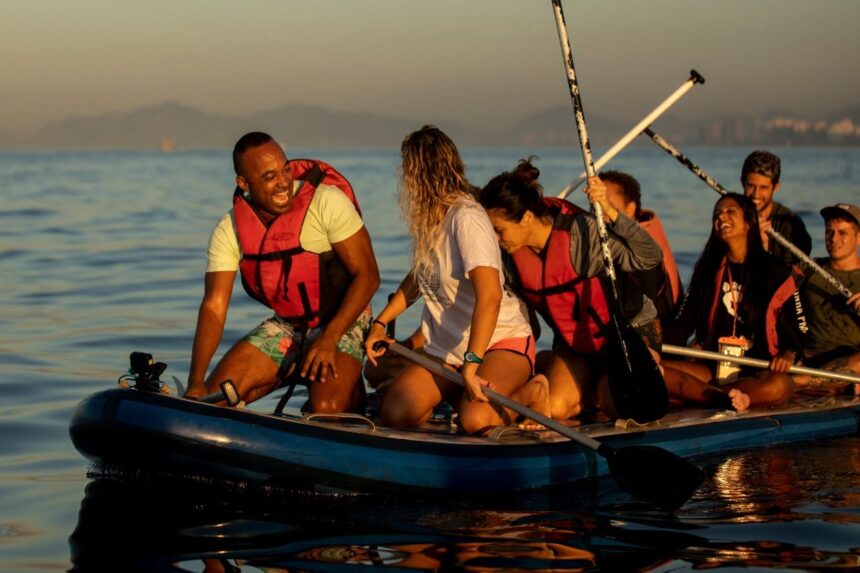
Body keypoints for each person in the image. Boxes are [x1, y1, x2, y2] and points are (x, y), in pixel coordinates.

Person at [364, 126, 546, 435]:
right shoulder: (432, 222)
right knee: (395, 412)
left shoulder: (467, 218)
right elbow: (420, 279)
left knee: (474, 421)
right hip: (448, 350)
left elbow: (490, 296)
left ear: (418, 177)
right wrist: (380, 324)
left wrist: (472, 363)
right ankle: (457, 395)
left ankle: (533, 391)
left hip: (499, 342)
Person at [184, 131, 380, 414]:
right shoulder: (230, 229)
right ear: (244, 183)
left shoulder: (326, 202)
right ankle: (294, 369)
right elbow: (214, 307)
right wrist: (195, 383)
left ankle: (351, 393)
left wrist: (329, 338)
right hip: (288, 326)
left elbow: (369, 275)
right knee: (214, 398)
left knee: (325, 408)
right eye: (269, 177)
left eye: (285, 169)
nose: (283, 182)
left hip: (343, 320)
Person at [478, 158, 664, 421]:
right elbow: (528, 325)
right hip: (573, 344)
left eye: (499, 230)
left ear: (526, 218)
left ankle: (629, 378)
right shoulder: (510, 260)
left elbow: (649, 257)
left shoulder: (581, 234)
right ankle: (581, 383)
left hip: (628, 332)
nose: (495, 240)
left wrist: (610, 212)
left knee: (619, 407)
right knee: (556, 408)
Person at [662, 193, 807, 411]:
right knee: (653, 369)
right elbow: (683, 322)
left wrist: (788, 353)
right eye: (717, 214)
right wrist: (654, 348)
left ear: (749, 222)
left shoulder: (776, 271)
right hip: (712, 368)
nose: (722, 217)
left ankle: (716, 396)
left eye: (730, 212)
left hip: (758, 369)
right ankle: (723, 398)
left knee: (780, 385)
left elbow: (799, 328)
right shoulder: (707, 269)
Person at [602, 169, 683, 323]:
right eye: (594, 206)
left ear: (631, 209)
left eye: (606, 205)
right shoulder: (603, 240)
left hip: (651, 335)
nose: (600, 213)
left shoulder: (644, 248)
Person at [796, 203, 860, 393]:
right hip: (809, 360)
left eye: (842, 233)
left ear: (858, 238)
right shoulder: (809, 267)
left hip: (851, 363)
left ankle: (797, 384)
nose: (834, 239)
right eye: (829, 232)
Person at [741, 150, 812, 266]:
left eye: (763, 187)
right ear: (742, 183)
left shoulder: (791, 225)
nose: (756, 194)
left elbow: (792, 277)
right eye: (750, 186)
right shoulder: (731, 218)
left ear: (776, 187)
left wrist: (762, 247)